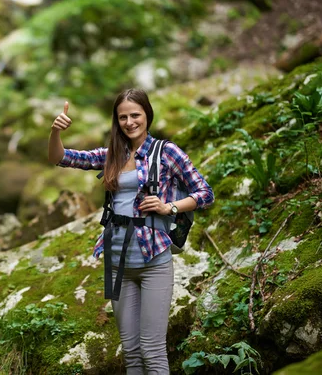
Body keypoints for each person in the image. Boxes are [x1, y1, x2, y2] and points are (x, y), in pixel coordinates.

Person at [48, 89, 214, 375]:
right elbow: (62, 158)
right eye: (122, 117)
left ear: (147, 115)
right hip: (116, 262)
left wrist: (169, 207)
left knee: (152, 349)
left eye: (135, 115)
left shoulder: (166, 152)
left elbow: (205, 193)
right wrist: (55, 132)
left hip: (153, 261)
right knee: (132, 353)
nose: (129, 122)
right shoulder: (113, 153)